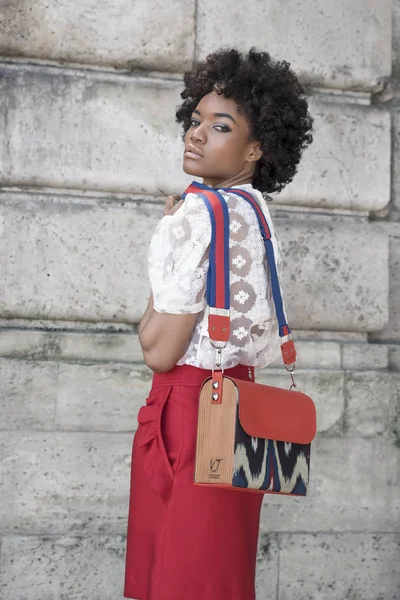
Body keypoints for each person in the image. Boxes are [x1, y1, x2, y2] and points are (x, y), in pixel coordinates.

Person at [124, 47, 313, 600]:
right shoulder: (254, 211)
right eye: (197, 120)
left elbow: (159, 351)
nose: (197, 134)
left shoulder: (195, 214)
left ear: (255, 149)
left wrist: (167, 257)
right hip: (239, 411)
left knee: (176, 580)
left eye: (221, 126)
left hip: (187, 410)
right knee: (217, 575)